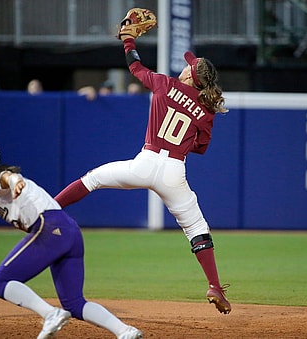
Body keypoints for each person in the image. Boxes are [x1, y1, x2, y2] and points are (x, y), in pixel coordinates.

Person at [54, 25, 231, 314]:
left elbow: (134, 67)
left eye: (188, 67)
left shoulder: (165, 84)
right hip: (175, 171)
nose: (185, 68)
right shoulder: (207, 110)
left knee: (93, 179)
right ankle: (213, 285)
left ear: (190, 75)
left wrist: (128, 40)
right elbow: (200, 148)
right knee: (197, 229)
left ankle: (49, 209)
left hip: (145, 162)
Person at [0, 134, 143, 339]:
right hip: (69, 231)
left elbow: (7, 175)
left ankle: (50, 314)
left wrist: (15, 181)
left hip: (50, 228)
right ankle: (125, 331)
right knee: (74, 303)